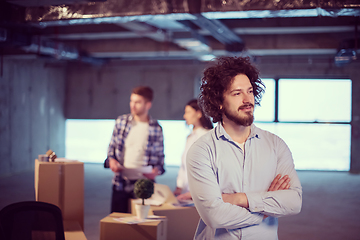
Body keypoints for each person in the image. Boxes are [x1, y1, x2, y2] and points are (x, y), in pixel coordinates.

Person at [186, 56, 302, 240]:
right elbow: (214, 217)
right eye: (237, 93)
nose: (248, 100)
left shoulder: (276, 145)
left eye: (250, 91)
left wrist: (240, 199)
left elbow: (294, 202)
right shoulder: (201, 150)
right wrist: (264, 211)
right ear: (219, 101)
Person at [105, 86, 165, 213]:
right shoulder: (121, 122)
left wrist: (156, 171)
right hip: (121, 181)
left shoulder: (156, 128)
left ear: (148, 105)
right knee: (117, 222)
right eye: (131, 101)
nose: (133, 105)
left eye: (137, 102)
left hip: (144, 185)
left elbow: (160, 160)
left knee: (141, 225)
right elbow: (111, 148)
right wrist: (111, 161)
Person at [174, 99, 213, 200]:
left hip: (202, 194)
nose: (184, 116)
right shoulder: (190, 137)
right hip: (187, 193)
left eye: (188, 112)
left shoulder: (208, 136)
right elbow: (184, 165)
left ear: (199, 113)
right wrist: (179, 186)